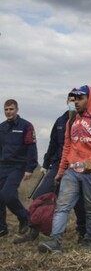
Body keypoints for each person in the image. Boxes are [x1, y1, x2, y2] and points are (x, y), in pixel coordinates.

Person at [38, 85, 91, 253]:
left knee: (90, 207)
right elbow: (67, 148)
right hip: (72, 171)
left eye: (81, 98)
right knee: (62, 206)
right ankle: (55, 242)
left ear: (90, 99)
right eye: (75, 99)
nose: (76, 102)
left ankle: (90, 240)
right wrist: (61, 171)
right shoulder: (71, 122)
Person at [14, 92, 87, 244]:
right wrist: (46, 164)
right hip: (57, 164)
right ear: (66, 101)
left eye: (76, 100)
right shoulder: (60, 121)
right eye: (70, 100)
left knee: (78, 201)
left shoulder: (85, 121)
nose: (73, 102)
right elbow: (53, 143)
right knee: (39, 195)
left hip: (77, 165)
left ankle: (83, 233)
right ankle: (33, 230)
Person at [0, 99, 37, 238]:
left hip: (17, 166)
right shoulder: (1, 127)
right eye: (6, 109)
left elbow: (31, 148)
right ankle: (2, 228)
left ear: (17, 109)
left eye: (11, 109)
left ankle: (25, 217)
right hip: (3, 165)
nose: (8, 112)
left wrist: (30, 168)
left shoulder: (26, 126)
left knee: (8, 195)